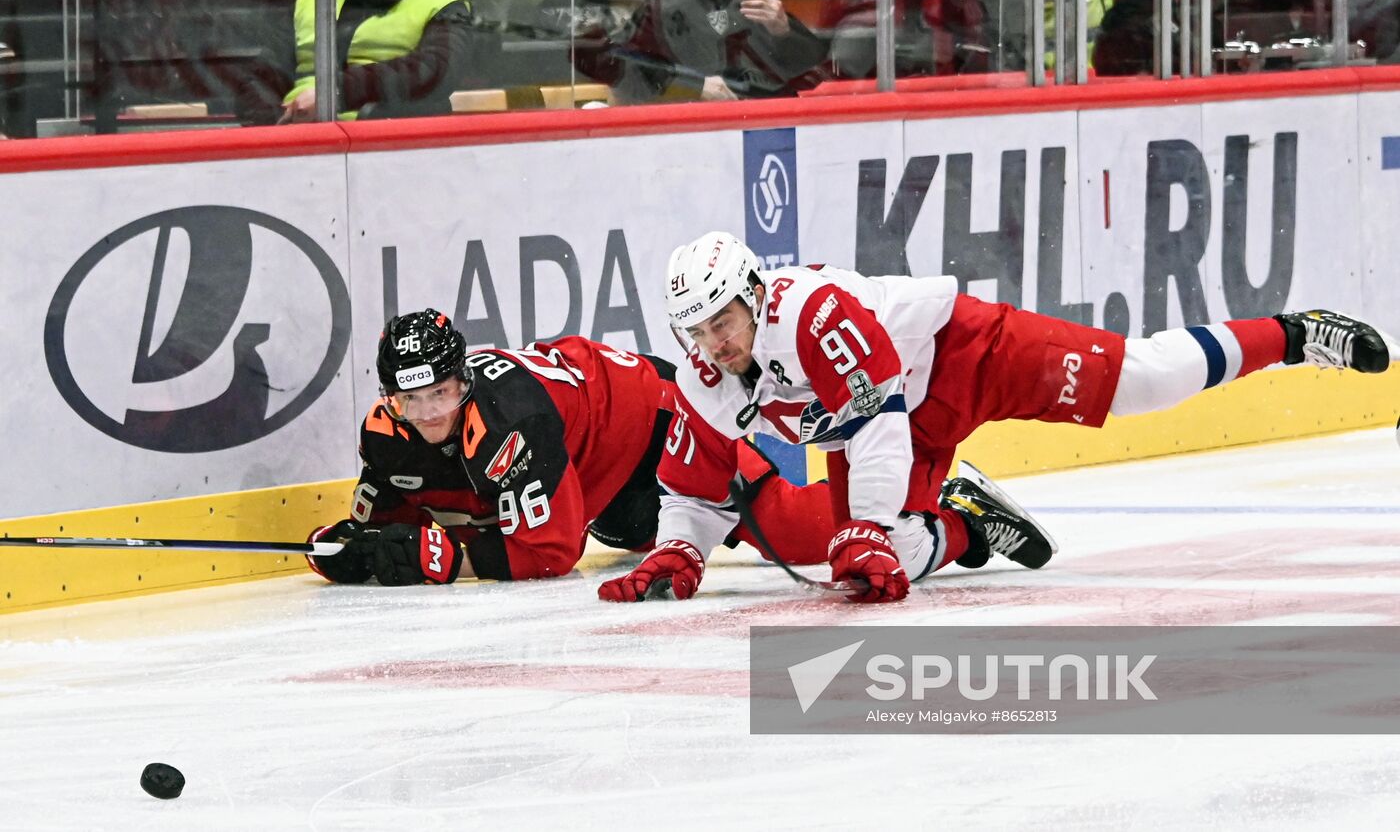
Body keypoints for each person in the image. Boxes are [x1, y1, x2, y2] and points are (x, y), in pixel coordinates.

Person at [598, 231, 1398, 604]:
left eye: (724, 320)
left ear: (756, 294)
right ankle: (965, 527)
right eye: (696, 331)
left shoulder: (813, 314)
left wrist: (870, 519)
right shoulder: (708, 369)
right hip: (892, 424)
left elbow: (875, 420)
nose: (715, 342)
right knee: (842, 574)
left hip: (963, 355)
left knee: (1145, 381)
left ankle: (1294, 334)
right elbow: (695, 479)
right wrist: (678, 548)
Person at [306, 309, 834, 587]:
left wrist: (447, 563)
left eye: (440, 394)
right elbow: (381, 524)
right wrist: (341, 550)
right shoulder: (385, 435)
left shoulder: (511, 421)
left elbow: (554, 552)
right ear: (388, 400)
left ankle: (901, 515)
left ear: (463, 381)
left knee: (792, 529)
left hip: (656, 422)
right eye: (410, 400)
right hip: (604, 495)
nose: (428, 415)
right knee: (639, 534)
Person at [572, 0, 828, 102]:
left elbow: (817, 66)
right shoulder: (665, 6)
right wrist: (691, 88)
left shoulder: (756, 4)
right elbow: (618, 67)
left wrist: (783, 30)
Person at [279, 0, 475, 122]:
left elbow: (434, 71)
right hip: (288, 136)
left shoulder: (444, 6)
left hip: (380, 142)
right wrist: (268, 116)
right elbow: (266, 67)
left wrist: (335, 94)